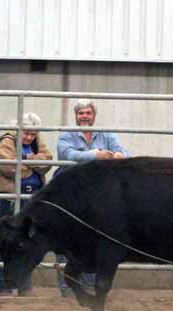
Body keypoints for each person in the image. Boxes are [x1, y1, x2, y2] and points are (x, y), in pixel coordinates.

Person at [56, 99, 130, 297]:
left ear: (93, 115)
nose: (85, 116)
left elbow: (122, 149)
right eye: (81, 113)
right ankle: (67, 288)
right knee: (68, 238)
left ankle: (88, 285)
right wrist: (94, 155)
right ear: (76, 116)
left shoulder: (105, 134)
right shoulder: (67, 134)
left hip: (96, 195)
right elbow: (67, 154)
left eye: (88, 113)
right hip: (72, 194)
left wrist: (120, 155)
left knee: (94, 238)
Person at [0, 112, 52, 296]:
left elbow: (47, 161)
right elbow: (8, 167)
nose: (29, 137)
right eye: (26, 133)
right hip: (11, 197)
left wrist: (25, 161)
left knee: (28, 243)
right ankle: (4, 285)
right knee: (8, 241)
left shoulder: (37, 141)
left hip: (32, 198)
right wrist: (33, 164)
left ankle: (24, 285)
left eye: (32, 134)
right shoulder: (7, 141)